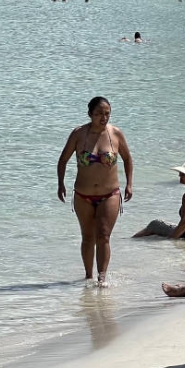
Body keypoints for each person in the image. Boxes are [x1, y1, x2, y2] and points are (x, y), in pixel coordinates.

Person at [57, 97, 133, 284]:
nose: (103, 117)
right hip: (83, 195)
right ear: (90, 114)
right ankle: (88, 276)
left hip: (110, 194)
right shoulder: (78, 134)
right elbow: (63, 160)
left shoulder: (115, 134)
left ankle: (102, 278)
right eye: (99, 113)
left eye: (107, 113)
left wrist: (129, 184)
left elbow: (128, 159)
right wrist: (60, 184)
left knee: (104, 235)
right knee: (87, 237)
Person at [133, 160, 185, 240]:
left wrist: (171, 239)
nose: (179, 175)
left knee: (154, 224)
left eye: (183, 174)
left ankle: (132, 241)